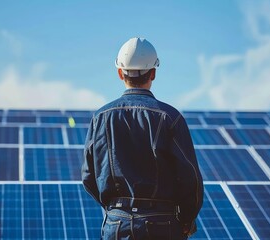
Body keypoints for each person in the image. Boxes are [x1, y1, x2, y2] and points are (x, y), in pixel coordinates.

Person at [81, 37, 203, 239]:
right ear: (153, 72)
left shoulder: (100, 117)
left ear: (120, 73)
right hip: (162, 224)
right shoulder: (170, 118)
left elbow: (88, 176)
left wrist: (114, 208)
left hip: (116, 223)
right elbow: (190, 177)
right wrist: (187, 219)